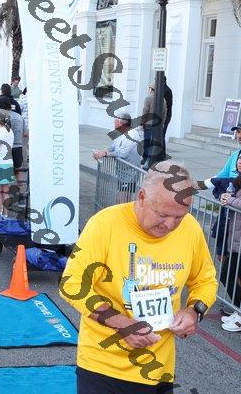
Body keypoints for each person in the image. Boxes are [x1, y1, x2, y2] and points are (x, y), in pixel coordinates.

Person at [60, 160, 217, 394]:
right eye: (162, 214)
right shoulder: (105, 224)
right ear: (142, 197)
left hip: (159, 369)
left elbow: (205, 280)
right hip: (102, 366)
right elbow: (72, 284)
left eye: (179, 217)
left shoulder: (190, 229)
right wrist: (122, 324)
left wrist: (194, 310)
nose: (170, 225)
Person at [92, 112, 143, 203]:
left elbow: (122, 153)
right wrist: (102, 152)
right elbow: (112, 147)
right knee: (125, 198)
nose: (114, 123)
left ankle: (125, 211)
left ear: (121, 122)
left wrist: (104, 154)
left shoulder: (132, 134)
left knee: (122, 199)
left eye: (115, 121)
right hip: (123, 172)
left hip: (131, 172)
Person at [217, 153, 241, 331]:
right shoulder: (238, 180)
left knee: (229, 273)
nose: (240, 162)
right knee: (228, 274)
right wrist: (226, 197)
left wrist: (230, 200)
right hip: (235, 239)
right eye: (240, 158)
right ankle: (238, 309)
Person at [141, 84, 167, 165]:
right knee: (155, 143)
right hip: (158, 125)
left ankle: (145, 159)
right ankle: (153, 159)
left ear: (151, 89)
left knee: (147, 142)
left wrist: (143, 122)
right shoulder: (163, 99)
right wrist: (162, 124)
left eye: (150, 88)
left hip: (149, 124)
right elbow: (164, 113)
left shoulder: (148, 98)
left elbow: (145, 111)